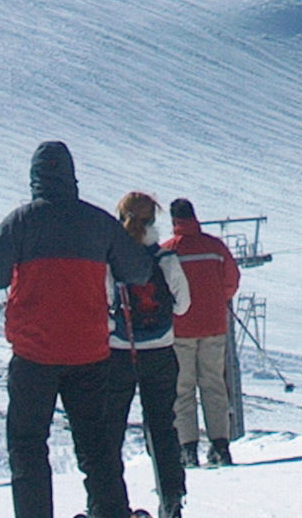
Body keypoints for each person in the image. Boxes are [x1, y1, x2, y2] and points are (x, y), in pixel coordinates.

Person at [0, 140, 153, 518]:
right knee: (97, 446)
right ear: (72, 176)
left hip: (35, 354)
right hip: (89, 352)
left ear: (35, 177)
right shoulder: (98, 221)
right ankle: (111, 512)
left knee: (27, 444)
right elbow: (137, 271)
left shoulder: (21, 221)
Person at [104, 192, 190, 518]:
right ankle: (171, 500)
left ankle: (110, 503)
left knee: (112, 429)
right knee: (162, 428)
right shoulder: (164, 258)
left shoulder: (110, 258)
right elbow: (183, 304)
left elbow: (104, 303)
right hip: (161, 350)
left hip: (119, 353)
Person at [160, 196, 240, 468]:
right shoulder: (214, 247)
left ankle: (188, 448)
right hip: (214, 326)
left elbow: (161, 291)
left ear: (173, 221)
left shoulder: (168, 251)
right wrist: (218, 300)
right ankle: (220, 445)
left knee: (183, 389)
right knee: (214, 385)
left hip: (181, 330)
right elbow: (232, 280)